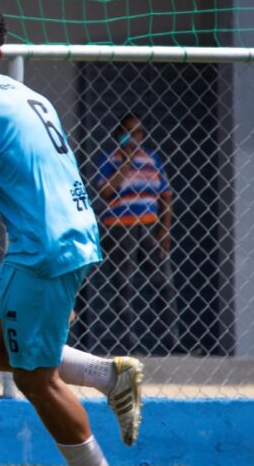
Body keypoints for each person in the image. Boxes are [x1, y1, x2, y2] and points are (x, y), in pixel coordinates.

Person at [0, 2, 144, 465]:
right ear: (0, 53)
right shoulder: (31, 96)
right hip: (65, 237)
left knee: (34, 378)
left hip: (43, 252)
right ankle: (109, 376)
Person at [93, 114, 179, 354]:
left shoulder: (152, 160)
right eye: (129, 132)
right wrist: (125, 163)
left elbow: (166, 196)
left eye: (139, 132)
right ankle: (128, 343)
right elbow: (105, 191)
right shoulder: (109, 160)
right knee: (124, 284)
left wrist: (164, 230)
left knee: (163, 281)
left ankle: (172, 340)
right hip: (120, 227)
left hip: (149, 226)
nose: (134, 137)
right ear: (120, 135)